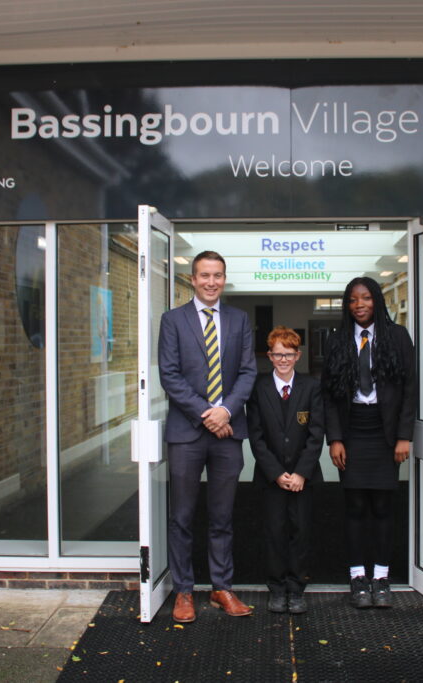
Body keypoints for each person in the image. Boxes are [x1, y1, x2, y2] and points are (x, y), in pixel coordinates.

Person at [157, 250, 256, 623]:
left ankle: (220, 588)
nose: (211, 282)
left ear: (224, 279)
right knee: (182, 516)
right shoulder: (173, 320)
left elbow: (247, 372)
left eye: (217, 275)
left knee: (222, 515)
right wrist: (207, 414)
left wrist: (226, 411)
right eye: (204, 275)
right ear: (192, 280)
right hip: (187, 432)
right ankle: (184, 591)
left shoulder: (239, 320)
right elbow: (170, 375)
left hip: (228, 432)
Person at [321, 276, 417, 609]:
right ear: (347, 305)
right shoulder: (336, 340)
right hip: (352, 432)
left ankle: (381, 577)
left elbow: (409, 390)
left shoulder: (397, 337)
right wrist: (334, 438)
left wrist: (404, 436)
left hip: (385, 433)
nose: (359, 305)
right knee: (355, 507)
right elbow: (330, 396)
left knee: (382, 508)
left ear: (377, 300)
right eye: (352, 300)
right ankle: (358, 577)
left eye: (365, 298)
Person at [247, 326, 325, 615]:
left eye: (288, 354)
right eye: (277, 354)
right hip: (272, 478)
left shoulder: (312, 387)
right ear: (269, 355)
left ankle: (296, 588)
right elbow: (256, 436)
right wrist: (277, 473)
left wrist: (302, 472)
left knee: (301, 531)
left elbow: (317, 432)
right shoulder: (259, 387)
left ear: (297, 355)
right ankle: (277, 588)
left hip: (304, 477)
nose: (282, 359)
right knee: (274, 531)